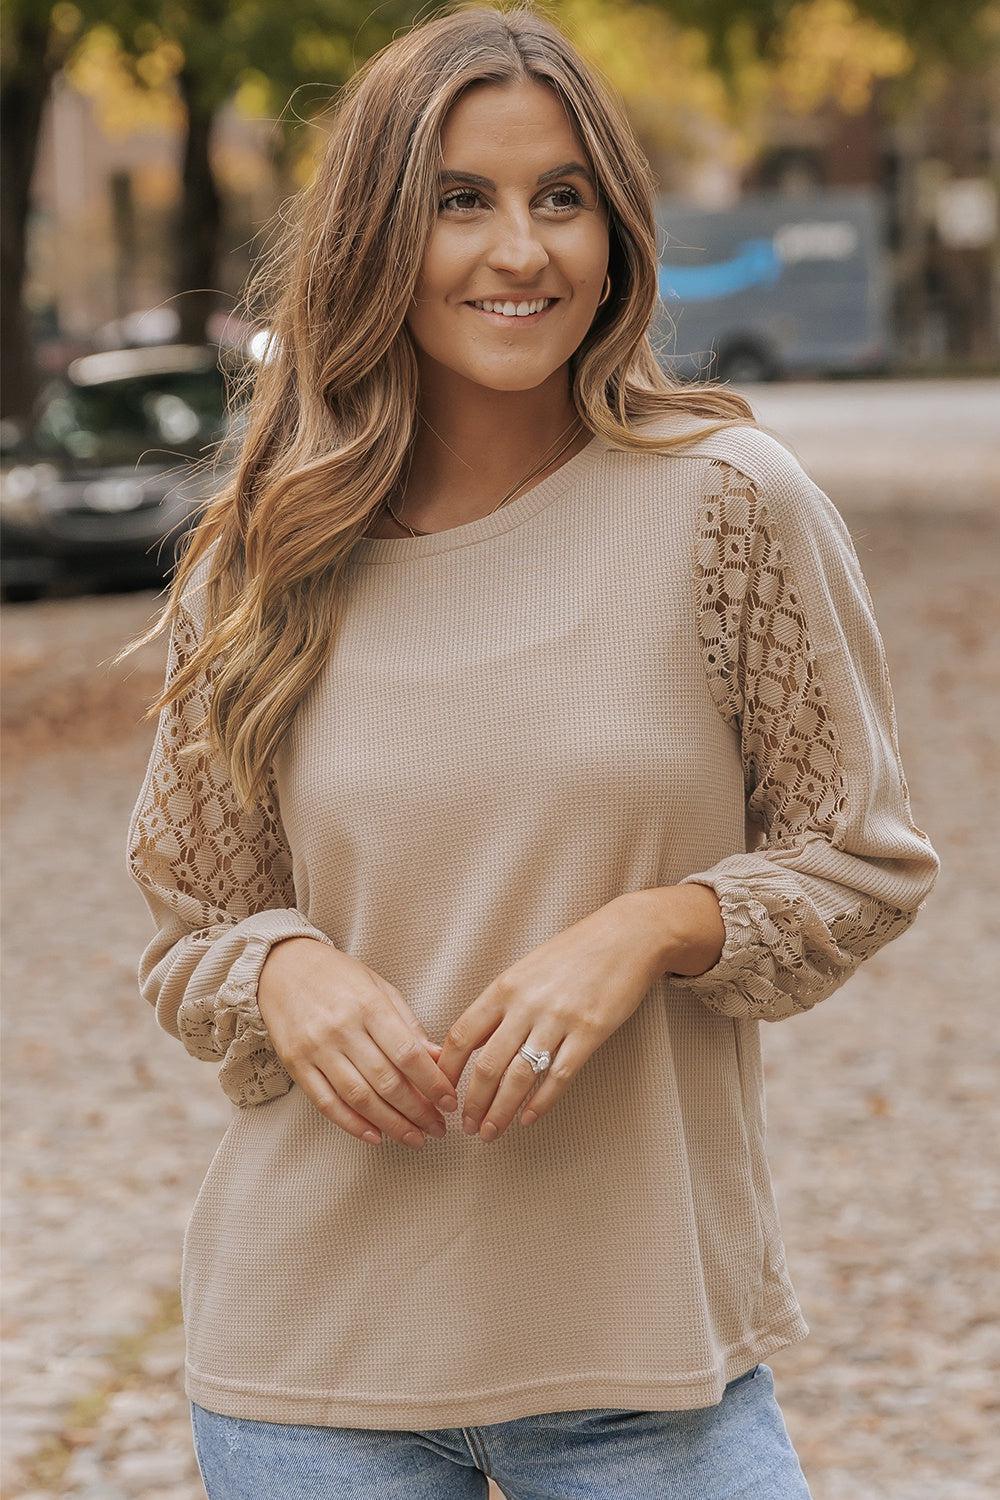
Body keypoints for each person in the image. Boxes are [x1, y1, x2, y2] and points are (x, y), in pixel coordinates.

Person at [119, 5, 941, 1496]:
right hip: (313, 1367)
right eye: (462, 200)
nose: (521, 250)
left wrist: (653, 927)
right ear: (379, 233)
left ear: (615, 232)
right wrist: (283, 969)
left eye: (562, 197)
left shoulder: (729, 505)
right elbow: (192, 930)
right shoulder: (265, 556)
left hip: (646, 1362)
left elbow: (862, 860)